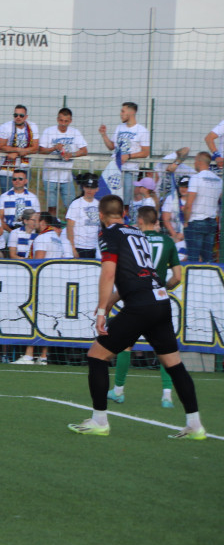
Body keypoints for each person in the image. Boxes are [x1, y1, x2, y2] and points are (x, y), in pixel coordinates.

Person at [68, 194, 205, 439]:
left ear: (101, 216)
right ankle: (195, 425)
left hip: (140, 305)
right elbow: (140, 274)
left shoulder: (109, 234)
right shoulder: (137, 232)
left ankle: (99, 420)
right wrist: (111, 301)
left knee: (97, 355)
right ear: (124, 214)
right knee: (174, 364)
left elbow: (108, 274)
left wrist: (101, 310)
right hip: (161, 302)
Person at [108, 206, 183, 409]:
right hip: (159, 299)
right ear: (156, 221)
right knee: (165, 348)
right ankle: (167, 395)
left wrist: (108, 303)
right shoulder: (167, 242)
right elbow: (177, 276)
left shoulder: (134, 240)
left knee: (126, 345)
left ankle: (119, 390)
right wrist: (163, 287)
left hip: (137, 298)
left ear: (140, 220)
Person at [11, 213, 66, 366]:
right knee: (47, 320)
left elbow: (39, 262)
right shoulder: (56, 239)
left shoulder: (42, 238)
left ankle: (29, 355)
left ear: (42, 222)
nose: (34, 223)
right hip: (54, 282)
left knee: (34, 318)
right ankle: (43, 356)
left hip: (42, 282)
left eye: (36, 220)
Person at [38, 108, 88, 216]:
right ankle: (53, 227)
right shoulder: (49, 131)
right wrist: (54, 148)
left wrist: (72, 154)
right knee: (51, 207)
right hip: (50, 176)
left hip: (67, 177)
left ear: (70, 121)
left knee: (71, 207)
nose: (63, 124)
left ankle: (66, 228)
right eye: (61, 121)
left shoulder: (75, 133)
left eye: (66, 121)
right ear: (57, 119)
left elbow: (84, 150)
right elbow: (41, 150)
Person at [98, 102, 150, 204]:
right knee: (110, 199)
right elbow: (111, 146)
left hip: (129, 171)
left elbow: (145, 152)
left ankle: (125, 218)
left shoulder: (142, 130)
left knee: (125, 202)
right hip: (115, 169)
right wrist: (104, 135)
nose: (120, 114)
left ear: (131, 112)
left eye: (123, 111)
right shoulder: (120, 127)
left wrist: (129, 156)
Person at [182, 151, 222, 263]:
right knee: (207, 258)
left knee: (193, 258)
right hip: (211, 222)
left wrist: (185, 221)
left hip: (196, 221)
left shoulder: (196, 178)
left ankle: (192, 280)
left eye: (195, 161)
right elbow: (218, 199)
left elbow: (189, 204)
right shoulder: (218, 180)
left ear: (199, 162)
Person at [0, 105, 39, 193]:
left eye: (21, 115)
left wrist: (19, 152)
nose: (18, 117)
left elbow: (35, 148)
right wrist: (19, 150)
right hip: (7, 169)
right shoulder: (5, 127)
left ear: (26, 117)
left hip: (24, 168)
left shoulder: (33, 127)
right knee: (7, 196)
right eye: (16, 115)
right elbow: (1, 147)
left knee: (22, 195)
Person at [0, 169, 41, 237]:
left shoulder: (33, 197)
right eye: (14, 179)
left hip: (28, 230)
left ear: (26, 181)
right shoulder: (4, 197)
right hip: (8, 231)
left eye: (20, 179)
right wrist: (11, 232)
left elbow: (37, 219)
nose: (17, 181)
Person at [65, 174, 101, 258]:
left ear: (97, 189)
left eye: (92, 188)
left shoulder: (99, 205)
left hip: (93, 247)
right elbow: (69, 227)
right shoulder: (76, 203)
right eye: (87, 187)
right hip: (79, 246)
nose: (89, 190)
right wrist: (73, 249)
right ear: (83, 187)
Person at [161, 175, 188, 253]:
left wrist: (184, 235)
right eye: (182, 186)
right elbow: (166, 219)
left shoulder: (193, 200)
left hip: (189, 235)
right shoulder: (171, 198)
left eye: (186, 187)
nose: (183, 189)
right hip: (173, 234)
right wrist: (175, 235)